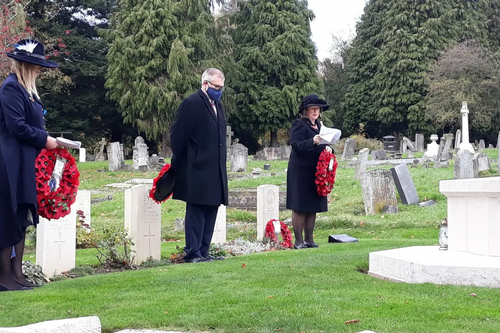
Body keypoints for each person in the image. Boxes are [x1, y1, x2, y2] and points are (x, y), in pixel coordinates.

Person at [0, 39, 59, 291]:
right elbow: (17, 127)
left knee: (23, 215)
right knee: (7, 217)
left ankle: (17, 273)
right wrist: (44, 139)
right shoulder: (11, 88)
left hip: (25, 161)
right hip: (8, 163)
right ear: (24, 65)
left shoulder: (28, 91)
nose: (39, 71)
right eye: (36, 66)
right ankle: (4, 276)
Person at [170, 68, 228, 263]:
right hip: (196, 167)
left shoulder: (217, 106)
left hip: (215, 168)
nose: (219, 91)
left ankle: (204, 250)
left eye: (221, 88)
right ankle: (192, 252)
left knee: (211, 209)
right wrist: (182, 161)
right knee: (196, 210)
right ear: (205, 84)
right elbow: (178, 135)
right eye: (216, 87)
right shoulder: (192, 103)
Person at [286, 94, 332, 249]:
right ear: (305, 110)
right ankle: (298, 241)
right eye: (312, 108)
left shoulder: (320, 126)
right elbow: (296, 145)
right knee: (300, 206)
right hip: (300, 171)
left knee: (313, 206)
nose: (315, 111)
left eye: (317, 108)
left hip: (316, 171)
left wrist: (328, 147)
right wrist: (312, 141)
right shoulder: (299, 124)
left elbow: (323, 144)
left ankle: (309, 240)